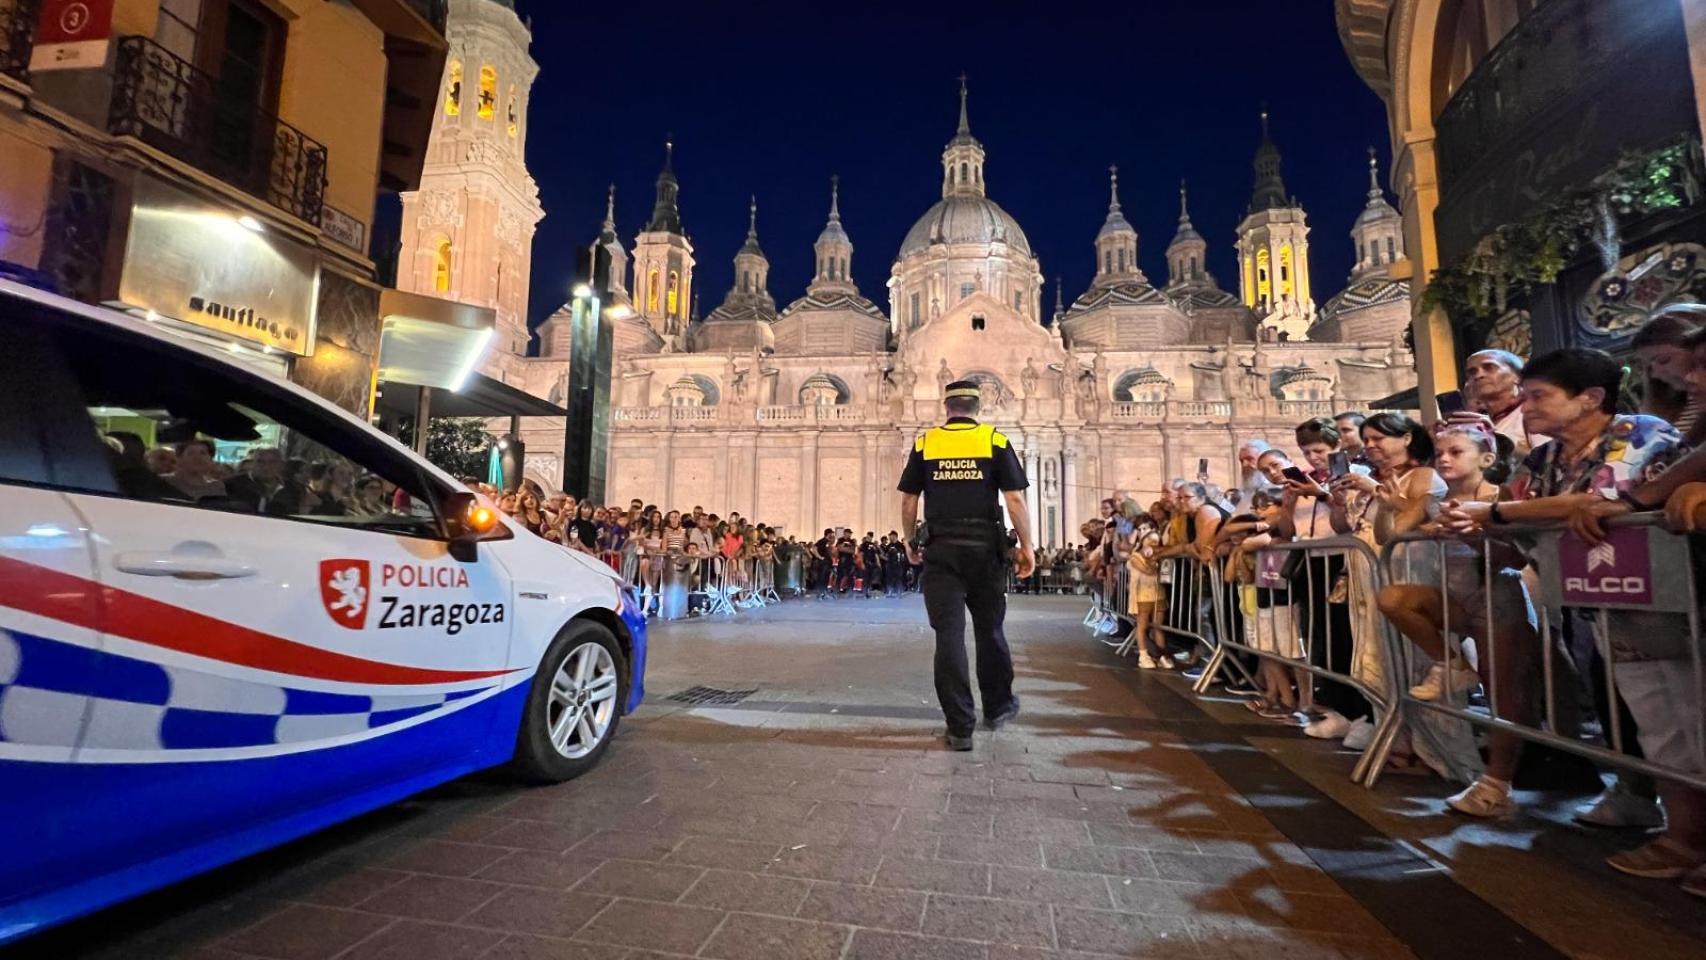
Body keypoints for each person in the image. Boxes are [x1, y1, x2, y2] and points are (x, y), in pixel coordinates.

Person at [1444, 348, 1701, 884]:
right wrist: (1485, 525)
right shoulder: (1542, 462)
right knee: (1658, 723)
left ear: (1591, 399)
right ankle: (1679, 830)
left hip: (1671, 602)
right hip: (1605, 605)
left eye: (1540, 396)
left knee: (1685, 716)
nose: (1528, 407)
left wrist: (1494, 513)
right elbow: (1534, 521)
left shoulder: (1639, 433)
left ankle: (1686, 839)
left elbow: (1600, 501)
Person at [898, 379, 1034, 751]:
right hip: (985, 551)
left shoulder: (926, 443)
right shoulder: (994, 440)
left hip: (942, 551)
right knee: (990, 630)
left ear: (947, 407)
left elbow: (910, 500)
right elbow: (1015, 500)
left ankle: (960, 727)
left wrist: (910, 539)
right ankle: (998, 707)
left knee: (949, 636)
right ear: (978, 406)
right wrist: (1028, 547)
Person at [1462, 349, 1549, 460]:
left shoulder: (1532, 413)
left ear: (1517, 377)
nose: (1478, 375)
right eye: (1472, 372)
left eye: (1489, 367)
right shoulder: (1479, 425)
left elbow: (1546, 463)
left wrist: (1494, 439)